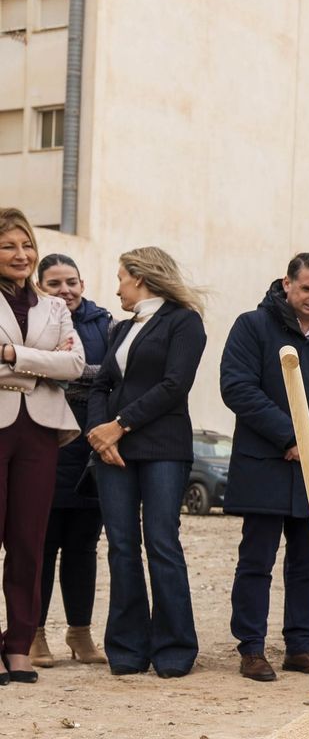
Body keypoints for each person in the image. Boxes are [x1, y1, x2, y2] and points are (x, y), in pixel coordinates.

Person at [221, 252, 309, 682]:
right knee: (256, 560)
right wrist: (290, 436)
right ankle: (251, 647)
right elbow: (237, 386)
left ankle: (300, 645)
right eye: (308, 289)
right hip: (265, 462)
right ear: (287, 284)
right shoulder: (252, 326)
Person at [84, 247, 207, 677]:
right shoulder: (122, 327)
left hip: (163, 449)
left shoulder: (185, 322)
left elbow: (175, 385)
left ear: (140, 277)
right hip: (112, 453)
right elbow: (100, 384)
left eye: (120, 277)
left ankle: (174, 649)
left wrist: (119, 425)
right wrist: (100, 435)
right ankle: (126, 649)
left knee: (161, 542)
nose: (116, 286)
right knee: (121, 546)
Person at [0, 208, 86, 684]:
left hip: (39, 430)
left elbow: (74, 364)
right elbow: (54, 364)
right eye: (9, 245)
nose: (21, 254)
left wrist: (13, 355)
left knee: (29, 543)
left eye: (26, 245)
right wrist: (41, 363)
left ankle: (18, 645)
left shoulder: (54, 306)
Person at [32, 252, 110, 667]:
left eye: (72, 282)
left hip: (90, 449)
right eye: (55, 283)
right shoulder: (33, 317)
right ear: (40, 285)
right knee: (40, 545)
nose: (66, 291)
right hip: (45, 440)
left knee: (83, 547)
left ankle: (80, 633)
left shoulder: (106, 323)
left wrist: (63, 371)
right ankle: (34, 633)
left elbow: (112, 376)